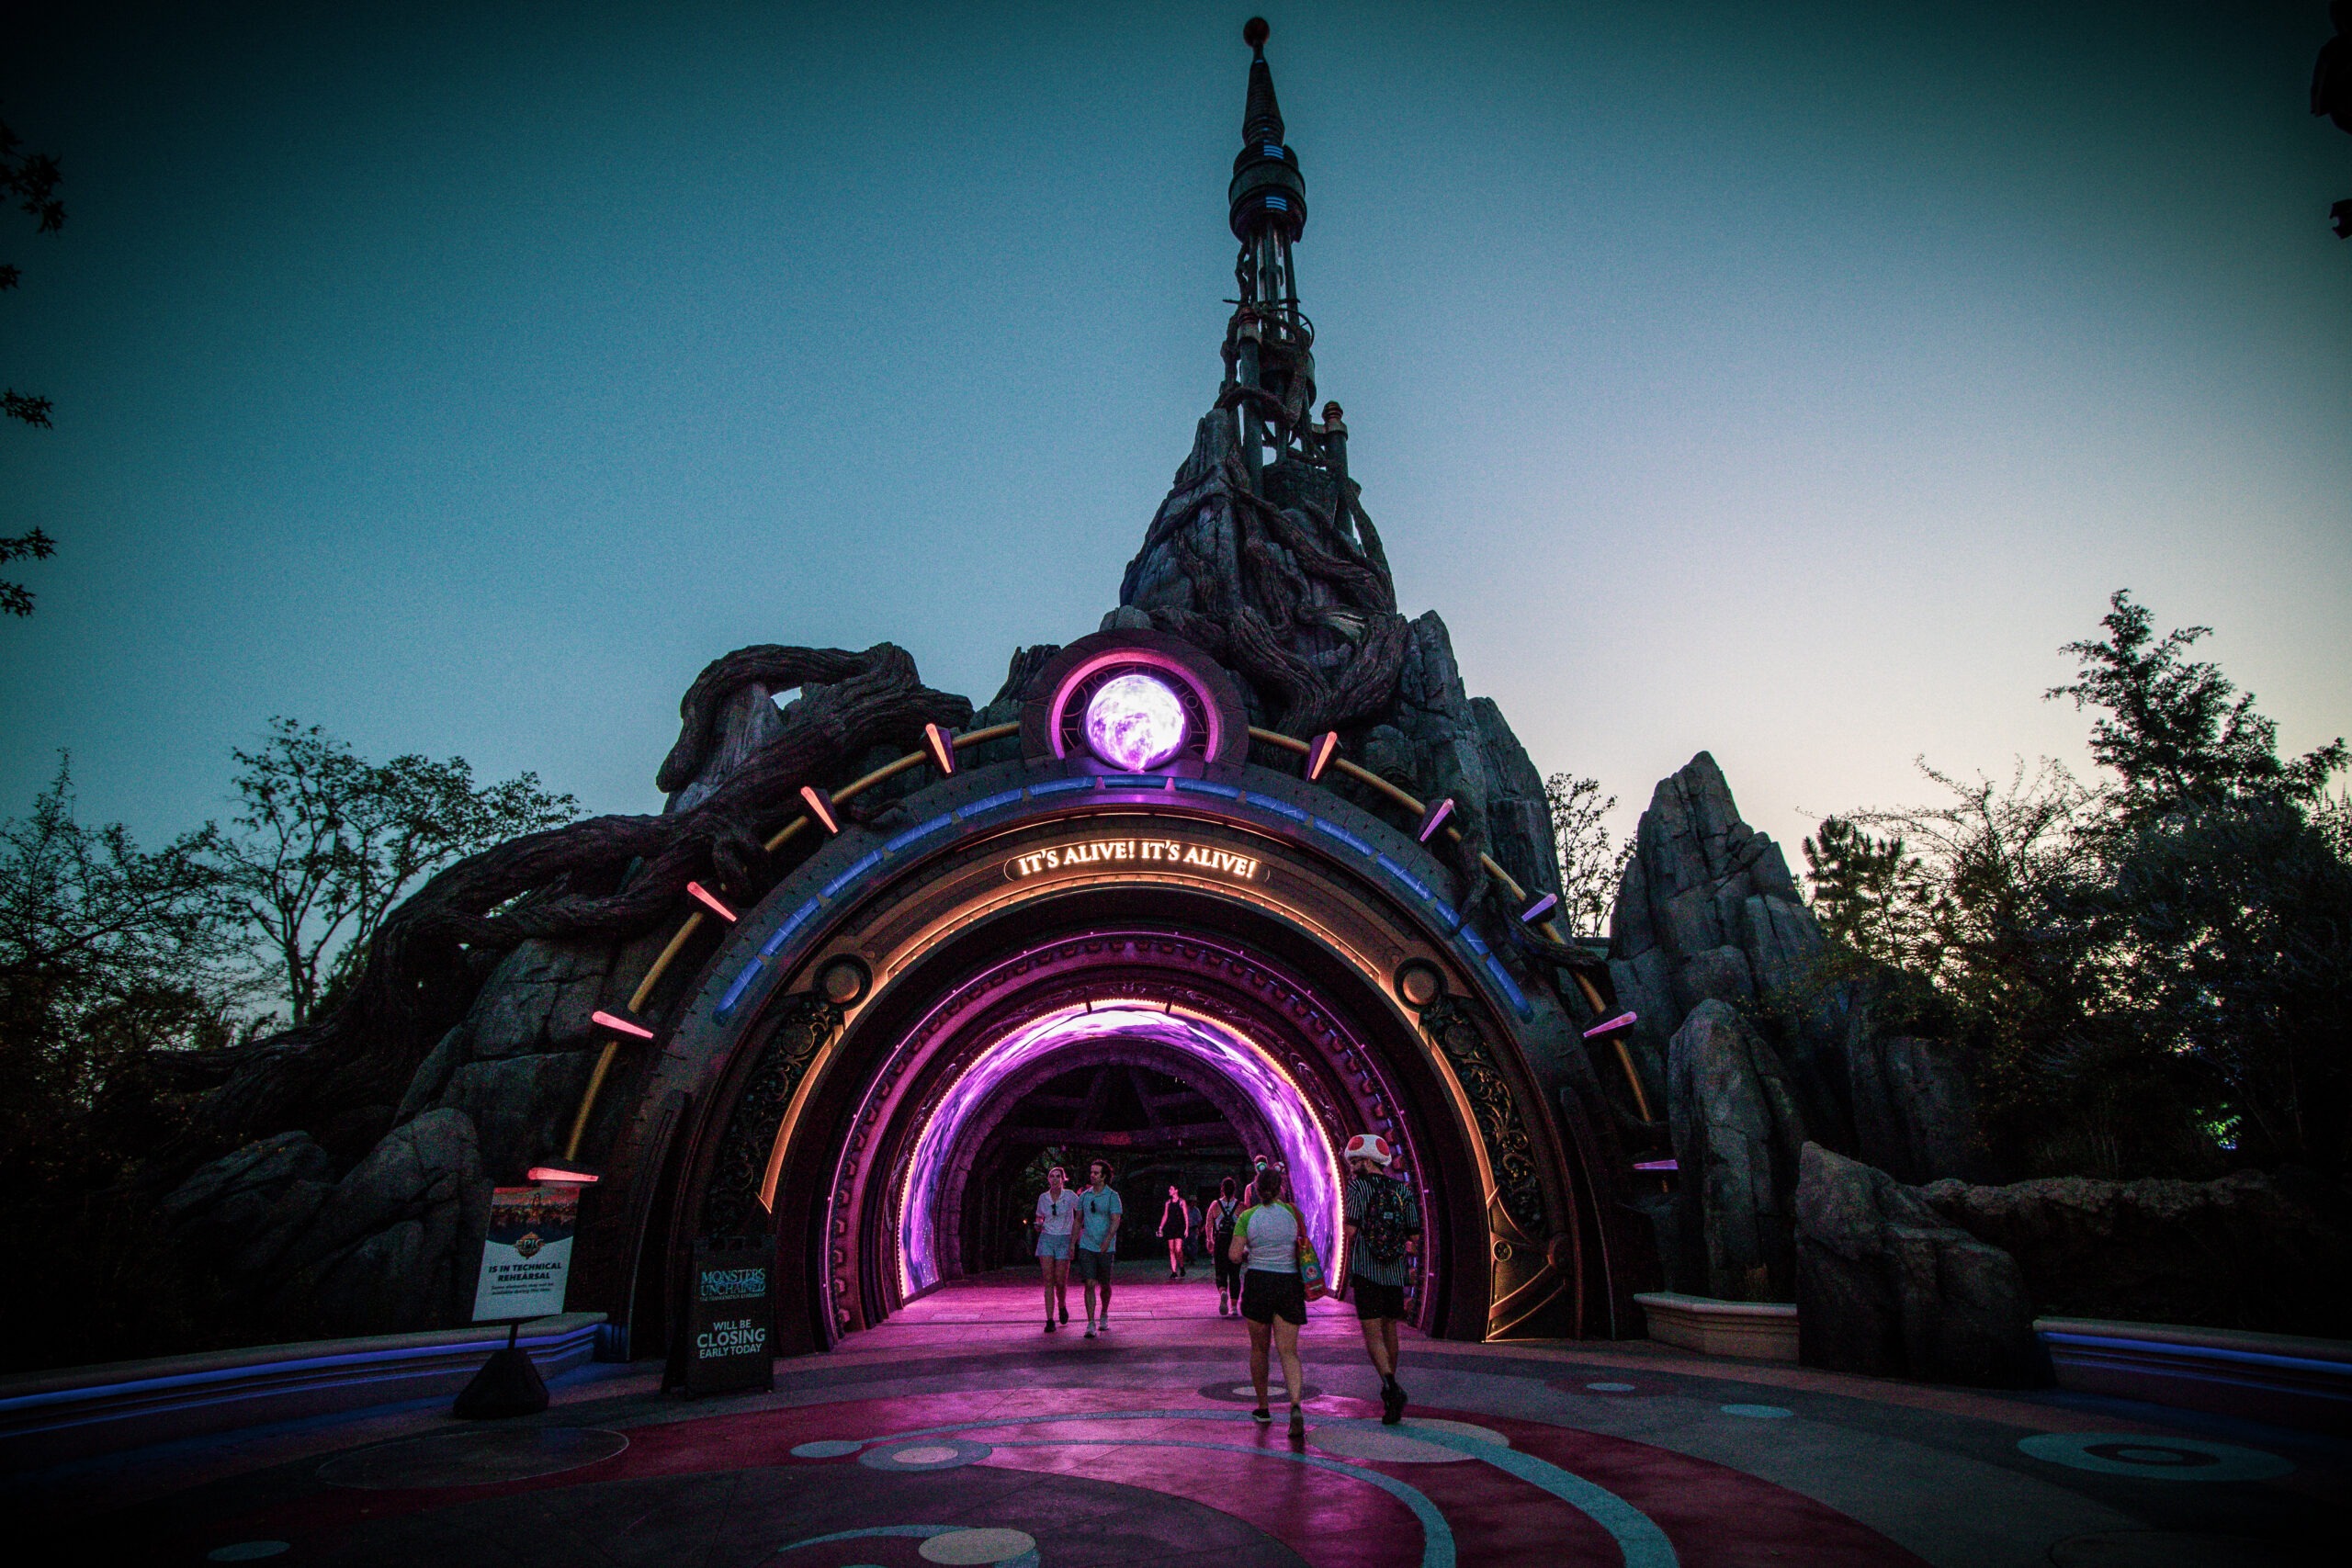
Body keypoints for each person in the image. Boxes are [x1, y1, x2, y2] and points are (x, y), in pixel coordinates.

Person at [1340, 1133, 1421, 1423]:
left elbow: (1350, 1231)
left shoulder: (1358, 1187)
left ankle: (1390, 1385)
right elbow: (1414, 1235)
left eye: (1355, 1161)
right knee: (1390, 1329)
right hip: (1395, 1272)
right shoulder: (1402, 1190)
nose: (1352, 1167)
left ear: (1367, 1161)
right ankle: (1391, 1390)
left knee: (1372, 1333)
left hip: (1367, 1271)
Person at [1229, 1163, 1312, 1444]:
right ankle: (1296, 1405)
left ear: (1256, 1190)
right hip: (1289, 1283)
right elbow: (1303, 1243)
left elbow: (1234, 1255)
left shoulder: (1247, 1217)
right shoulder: (1293, 1213)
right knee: (1289, 1351)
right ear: (1280, 1188)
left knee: (1259, 1349)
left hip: (1259, 1283)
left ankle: (1263, 1408)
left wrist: (1251, 1252)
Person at [1073, 1158, 1123, 1337]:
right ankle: (1090, 1323)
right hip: (1087, 1245)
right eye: (1091, 1172)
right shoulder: (1084, 1196)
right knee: (1089, 1283)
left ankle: (1104, 1313)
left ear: (1103, 1177)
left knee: (1105, 1284)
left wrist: (1108, 1239)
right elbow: (1078, 1220)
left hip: (1105, 1247)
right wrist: (1073, 1243)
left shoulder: (1112, 1196)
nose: (1092, 1175)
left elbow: (1116, 1220)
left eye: (1096, 1173)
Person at [1035, 1165, 1075, 1333]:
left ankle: (1062, 1305)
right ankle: (1050, 1319)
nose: (1055, 1179)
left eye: (1058, 1176)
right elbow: (1039, 1216)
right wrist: (1038, 1224)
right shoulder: (1043, 1198)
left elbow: (1081, 1212)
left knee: (1060, 1280)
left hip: (1064, 1238)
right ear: (1048, 1179)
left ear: (1063, 1179)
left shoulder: (1070, 1196)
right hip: (1047, 1238)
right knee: (1048, 1280)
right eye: (1052, 1176)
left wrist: (1076, 1237)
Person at [1207, 1177, 1244, 1316]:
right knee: (1235, 1274)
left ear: (1222, 1189)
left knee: (1220, 1272)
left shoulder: (1215, 1205)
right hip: (1235, 1241)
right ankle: (1234, 1307)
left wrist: (1210, 1240)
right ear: (1234, 1190)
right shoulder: (1241, 1206)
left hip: (1220, 1241)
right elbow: (1245, 1227)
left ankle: (1223, 1291)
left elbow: (1209, 1225)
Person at [1159, 1184, 1192, 1279]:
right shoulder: (1168, 1203)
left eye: (1171, 1189)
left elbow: (1185, 1215)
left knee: (1178, 1249)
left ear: (1176, 1190)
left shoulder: (1182, 1202)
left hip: (1179, 1227)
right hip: (1170, 1227)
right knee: (1171, 1249)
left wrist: (1187, 1228)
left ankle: (1181, 1265)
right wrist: (1161, 1227)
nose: (1169, 1190)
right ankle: (1174, 1271)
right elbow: (1165, 1215)